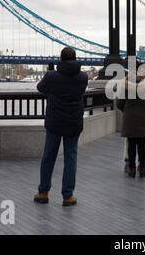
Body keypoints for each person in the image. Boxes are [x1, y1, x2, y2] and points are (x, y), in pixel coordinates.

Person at [34, 47, 88, 207]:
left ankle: (43, 192)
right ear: (75, 58)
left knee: (49, 156)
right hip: (74, 121)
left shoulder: (52, 76)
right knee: (71, 157)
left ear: (61, 59)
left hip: (55, 121)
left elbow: (40, 88)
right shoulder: (83, 77)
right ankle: (68, 196)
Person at [116, 73, 145, 178]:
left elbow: (119, 104)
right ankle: (142, 169)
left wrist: (127, 111)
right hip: (143, 120)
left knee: (131, 145)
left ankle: (132, 169)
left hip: (130, 120)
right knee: (142, 145)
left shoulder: (126, 88)